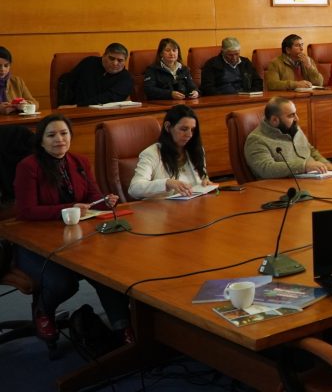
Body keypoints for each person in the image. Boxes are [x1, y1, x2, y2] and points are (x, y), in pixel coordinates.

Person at [13, 115, 130, 344]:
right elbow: (26, 211)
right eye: (52, 135)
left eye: (64, 133)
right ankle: (43, 311)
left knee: (108, 273)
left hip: (75, 239)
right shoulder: (28, 166)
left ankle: (122, 326)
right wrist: (68, 208)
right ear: (41, 140)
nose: (59, 139)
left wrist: (105, 201)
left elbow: (93, 196)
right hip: (33, 242)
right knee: (63, 283)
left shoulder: (79, 162)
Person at [128, 105, 210, 199]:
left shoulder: (196, 150)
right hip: (162, 210)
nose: (189, 135)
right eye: (184, 129)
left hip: (192, 207)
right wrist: (166, 183)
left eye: (193, 130)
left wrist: (205, 183)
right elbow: (134, 189)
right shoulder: (152, 153)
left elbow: (200, 182)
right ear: (167, 127)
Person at [244, 96, 330, 179]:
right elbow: (266, 168)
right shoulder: (256, 139)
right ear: (274, 120)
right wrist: (304, 166)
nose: (297, 119)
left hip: (315, 178)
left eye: (295, 114)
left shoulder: (293, 127)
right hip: (285, 186)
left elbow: (310, 150)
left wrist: (325, 164)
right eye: (291, 115)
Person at [65, 43, 132, 106]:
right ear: (104, 56)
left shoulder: (126, 78)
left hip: (107, 113)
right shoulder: (89, 63)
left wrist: (78, 106)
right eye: (111, 58)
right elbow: (69, 83)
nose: (115, 63)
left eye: (120, 60)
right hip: (76, 109)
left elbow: (109, 98)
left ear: (125, 62)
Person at [0, 46, 38, 114]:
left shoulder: (17, 81)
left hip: (15, 121)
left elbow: (35, 104)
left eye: (6, 65)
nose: (2, 69)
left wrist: (24, 105)